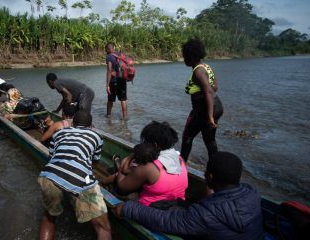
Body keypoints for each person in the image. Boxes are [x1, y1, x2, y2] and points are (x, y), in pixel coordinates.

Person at [115, 151, 264, 240]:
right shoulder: (252, 193)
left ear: (210, 177)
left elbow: (164, 220)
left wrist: (128, 208)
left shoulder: (205, 215)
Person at [37, 110, 111, 240]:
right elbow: (95, 163)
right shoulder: (96, 136)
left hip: (49, 175)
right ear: (90, 125)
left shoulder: (59, 133)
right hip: (81, 179)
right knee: (103, 228)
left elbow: (52, 156)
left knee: (49, 217)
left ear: (73, 123)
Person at [110, 121, 188, 207]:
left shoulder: (149, 167)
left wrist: (122, 167)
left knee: (119, 185)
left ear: (155, 145)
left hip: (152, 208)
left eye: (145, 141)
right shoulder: (180, 159)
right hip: (177, 202)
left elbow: (122, 188)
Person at [180, 38, 224, 161]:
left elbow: (209, 91)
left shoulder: (198, 71)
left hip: (204, 110)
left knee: (187, 136)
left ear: (191, 56)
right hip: (217, 106)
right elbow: (215, 87)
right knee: (209, 140)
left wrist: (209, 116)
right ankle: (215, 169)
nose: (184, 59)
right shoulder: (206, 67)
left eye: (184, 56)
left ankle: (182, 166)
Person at [105, 42, 128, 120]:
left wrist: (107, 85)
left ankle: (108, 116)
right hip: (123, 80)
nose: (106, 51)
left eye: (106, 49)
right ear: (113, 48)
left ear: (108, 49)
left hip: (113, 81)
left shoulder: (109, 57)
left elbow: (109, 70)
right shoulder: (119, 55)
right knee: (123, 99)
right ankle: (125, 117)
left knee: (110, 99)